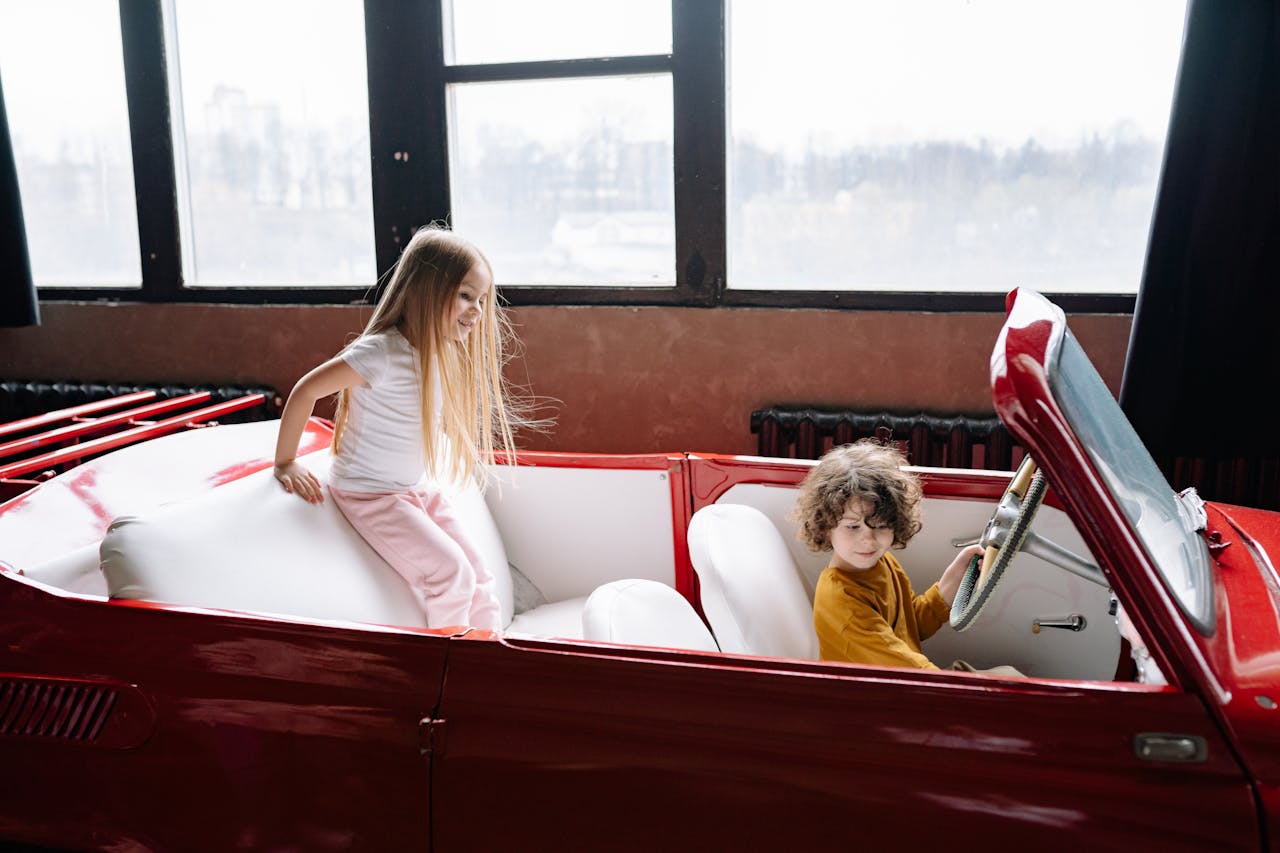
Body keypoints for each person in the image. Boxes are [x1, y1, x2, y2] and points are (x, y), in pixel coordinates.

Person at [272, 225, 529, 633]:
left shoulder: (440, 351)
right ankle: (446, 671)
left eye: (481, 300)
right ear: (424, 290)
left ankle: (489, 660)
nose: (477, 311)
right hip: (369, 493)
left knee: (479, 575)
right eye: (465, 296)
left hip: (411, 489)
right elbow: (305, 390)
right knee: (451, 575)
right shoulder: (382, 352)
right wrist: (285, 462)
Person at [793, 439, 996, 671]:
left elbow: (912, 627)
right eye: (852, 527)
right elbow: (907, 669)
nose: (868, 540)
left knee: (1007, 677)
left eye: (880, 526)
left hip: (907, 687)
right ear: (826, 526)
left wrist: (952, 581)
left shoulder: (882, 562)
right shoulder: (841, 599)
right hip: (876, 700)